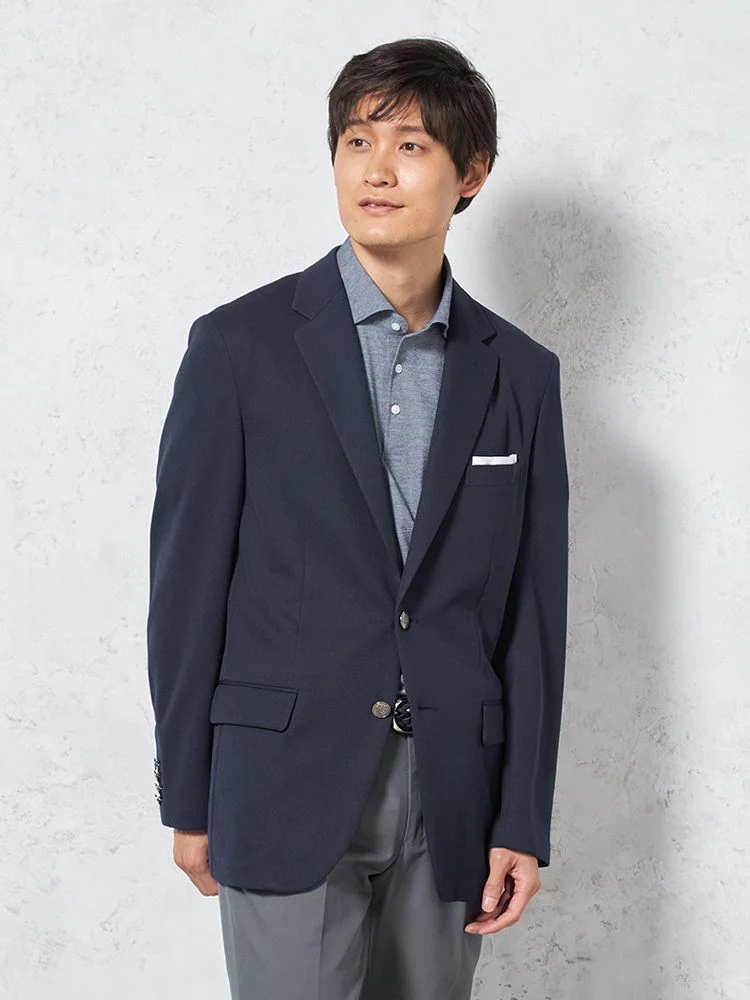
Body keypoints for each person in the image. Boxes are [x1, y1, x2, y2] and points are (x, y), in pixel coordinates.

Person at [147, 35, 569, 1000]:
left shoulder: (521, 374)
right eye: (356, 141)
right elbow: (186, 591)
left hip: (455, 798)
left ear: (472, 173)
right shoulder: (239, 349)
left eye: (410, 145)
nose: (376, 170)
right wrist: (190, 792)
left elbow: (533, 618)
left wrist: (522, 817)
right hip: (282, 779)